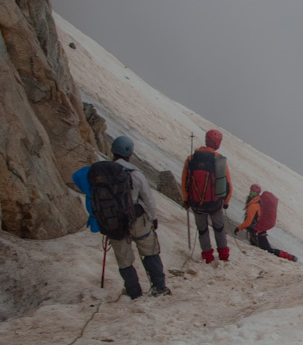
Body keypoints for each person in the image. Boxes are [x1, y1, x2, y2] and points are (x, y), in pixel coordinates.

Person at [87, 135, 171, 299]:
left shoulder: (101, 174)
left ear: (113, 151)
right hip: (137, 219)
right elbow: (148, 199)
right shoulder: (135, 174)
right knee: (149, 251)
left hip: (113, 222)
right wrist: (153, 218)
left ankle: (134, 292)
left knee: (124, 260)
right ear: (129, 153)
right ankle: (159, 287)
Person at [180, 128, 232, 264]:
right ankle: (223, 255)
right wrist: (226, 201)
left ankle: (208, 256)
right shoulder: (218, 159)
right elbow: (227, 183)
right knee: (219, 228)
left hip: (196, 203)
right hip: (214, 203)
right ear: (217, 143)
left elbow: (185, 181)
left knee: (202, 230)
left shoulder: (191, 159)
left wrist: (186, 200)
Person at [234, 184, 298, 262]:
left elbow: (248, 221)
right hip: (259, 229)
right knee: (263, 247)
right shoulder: (258, 202)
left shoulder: (253, 205)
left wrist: (238, 228)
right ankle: (290, 257)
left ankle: (290, 257)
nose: (251, 193)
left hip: (257, 230)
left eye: (252, 192)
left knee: (267, 249)